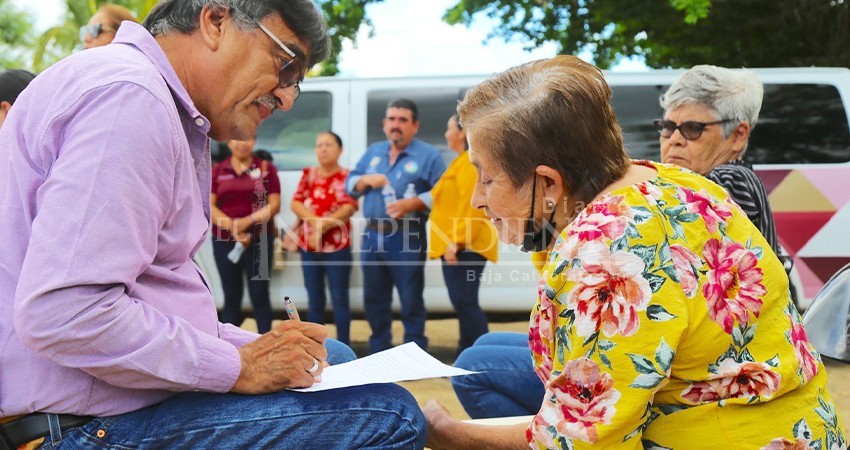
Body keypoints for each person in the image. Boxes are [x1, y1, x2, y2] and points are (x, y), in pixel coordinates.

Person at [0, 1, 426, 449]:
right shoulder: (131, 98)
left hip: (95, 399)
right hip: (74, 424)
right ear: (216, 21)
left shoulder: (152, 99)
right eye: (286, 66)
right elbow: (67, 313)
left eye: (296, 83)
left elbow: (150, 299)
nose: (286, 98)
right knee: (391, 416)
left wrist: (254, 349)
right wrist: (243, 366)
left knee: (327, 357)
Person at [423, 55, 845, 449]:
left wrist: (447, 432)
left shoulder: (604, 254)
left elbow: (579, 441)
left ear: (549, 183)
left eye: (486, 177)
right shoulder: (675, 181)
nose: (477, 199)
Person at [346, 98, 447, 353]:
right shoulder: (373, 152)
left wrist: (413, 203)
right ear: (384, 123)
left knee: (410, 298)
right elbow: (350, 183)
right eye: (391, 119)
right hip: (372, 235)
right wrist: (365, 180)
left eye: (402, 120)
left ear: (415, 125)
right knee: (374, 298)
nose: (396, 125)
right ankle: (379, 352)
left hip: (406, 237)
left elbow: (444, 193)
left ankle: (415, 354)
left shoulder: (428, 156)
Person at [657, 65, 781, 259]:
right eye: (668, 127)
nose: (674, 139)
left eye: (693, 128)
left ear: (738, 135)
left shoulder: (729, 179)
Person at [428, 114, 498, 353]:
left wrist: (455, 242)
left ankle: (481, 354)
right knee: (463, 304)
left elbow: (471, 206)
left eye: (449, 129)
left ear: (461, 133)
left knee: (466, 303)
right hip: (459, 245)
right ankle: (468, 352)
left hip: (464, 247)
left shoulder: (469, 163)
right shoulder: (461, 161)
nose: (446, 134)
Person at [290, 131, 358, 345]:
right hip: (310, 248)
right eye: (319, 145)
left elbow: (349, 207)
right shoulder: (309, 174)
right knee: (314, 300)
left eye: (328, 145)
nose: (323, 149)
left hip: (338, 249)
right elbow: (296, 203)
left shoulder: (348, 176)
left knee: (340, 300)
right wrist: (316, 223)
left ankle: (345, 347)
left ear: (340, 150)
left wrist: (322, 227)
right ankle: (317, 349)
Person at [211, 137, 279, 334]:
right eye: (237, 139)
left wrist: (246, 222)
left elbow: (274, 205)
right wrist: (233, 227)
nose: (242, 144)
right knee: (231, 295)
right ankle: (228, 347)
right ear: (229, 142)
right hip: (224, 241)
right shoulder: (218, 170)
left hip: (259, 240)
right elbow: (209, 205)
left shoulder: (266, 168)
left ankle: (267, 341)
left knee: (260, 293)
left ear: (254, 141)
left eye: (247, 139)